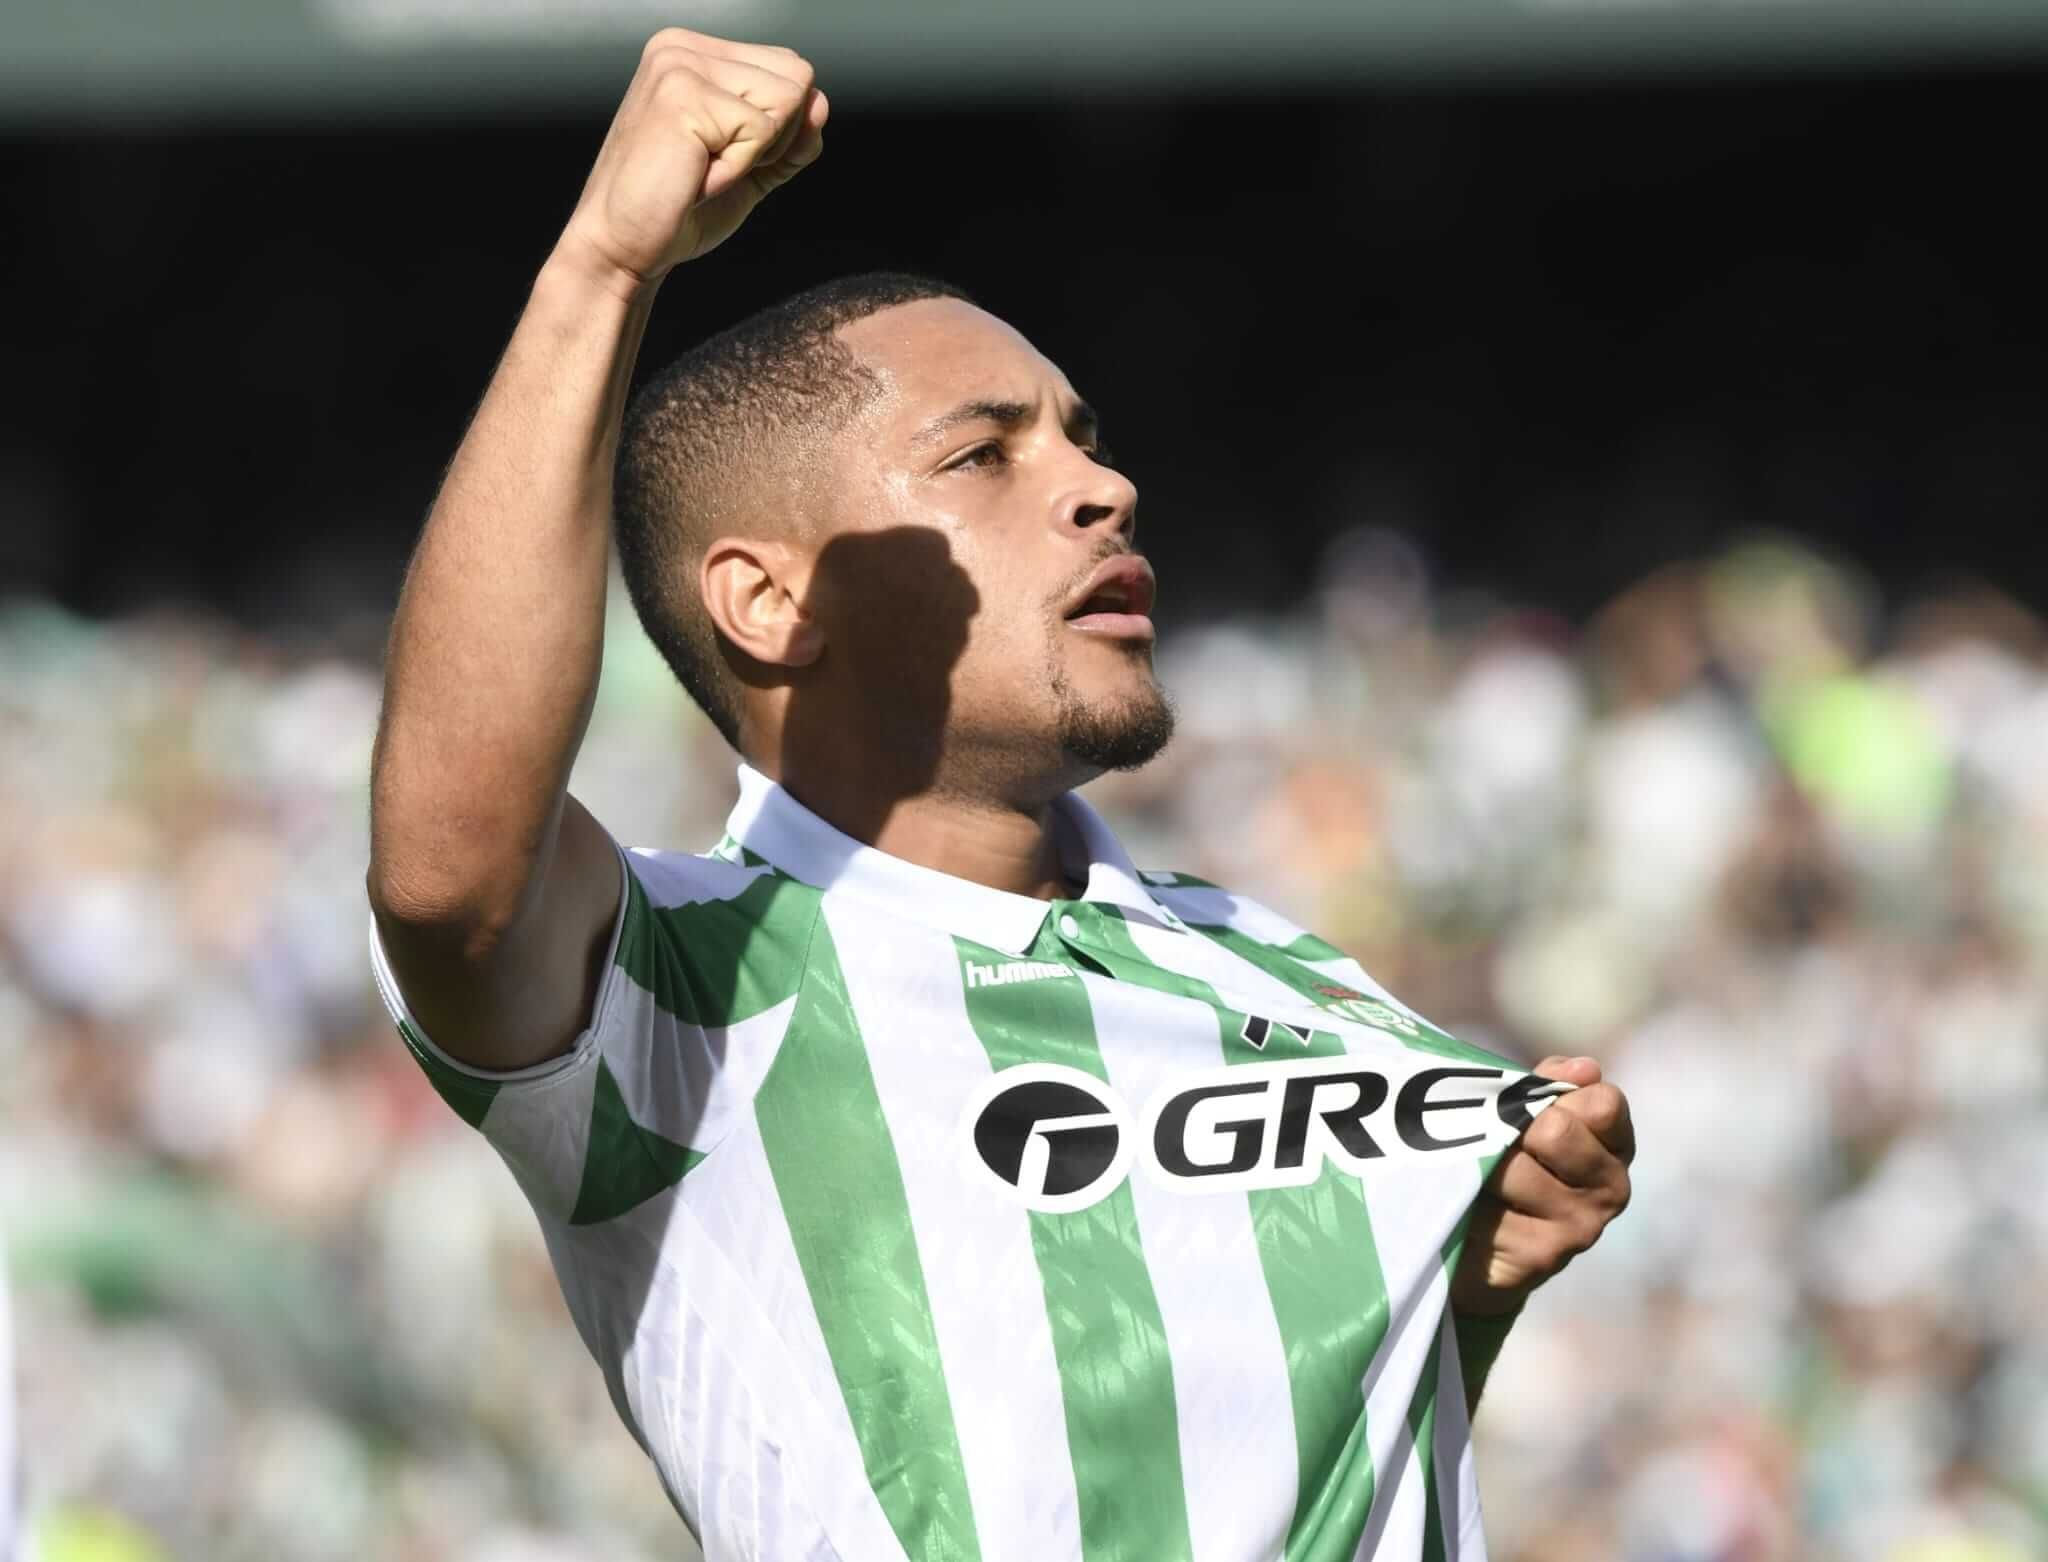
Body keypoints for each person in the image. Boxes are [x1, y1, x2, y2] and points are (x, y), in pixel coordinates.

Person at [364, 30, 1635, 1561]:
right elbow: (449, 869)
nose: (1104, 487)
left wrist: (1465, 1291)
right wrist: (603, 265)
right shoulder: (679, 992)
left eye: (1083, 440)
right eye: (983, 455)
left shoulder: (1294, 976)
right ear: (769, 601)